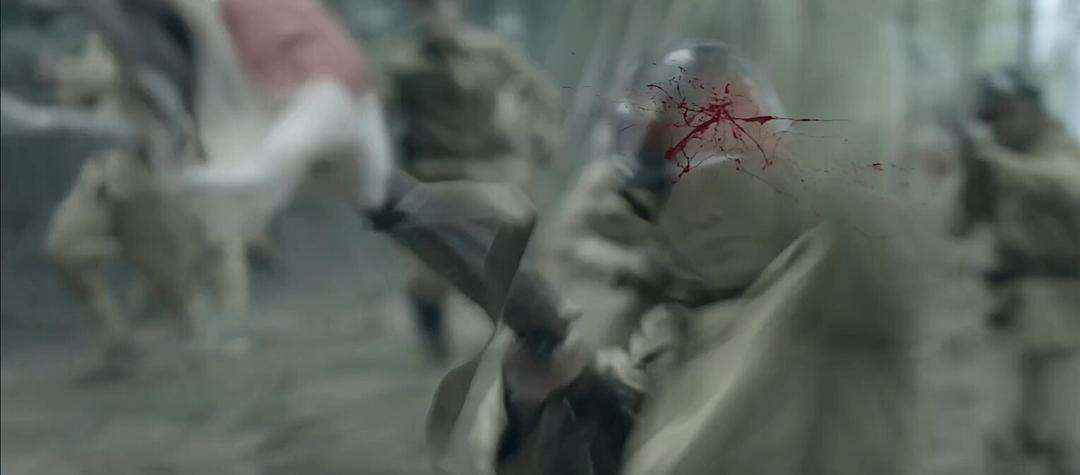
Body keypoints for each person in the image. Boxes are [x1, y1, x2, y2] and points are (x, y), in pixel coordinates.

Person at [426, 43, 927, 475]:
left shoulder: (829, 296)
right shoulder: (672, 327)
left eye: (732, 181)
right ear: (653, 213)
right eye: (678, 195)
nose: (709, 215)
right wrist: (555, 400)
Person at [39, 32, 251, 382]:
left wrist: (67, 70)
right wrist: (67, 78)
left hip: (150, 179)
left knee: (173, 284)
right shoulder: (101, 38)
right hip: (105, 172)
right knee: (65, 249)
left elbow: (129, 74)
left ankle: (213, 353)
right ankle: (119, 340)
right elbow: (78, 97)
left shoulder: (158, 31)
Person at [382, 0, 562, 361]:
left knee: (525, 252)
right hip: (436, 172)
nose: (435, 15)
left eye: (441, 6)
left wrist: (541, 133)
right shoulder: (402, 63)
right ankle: (433, 342)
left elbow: (538, 90)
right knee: (428, 268)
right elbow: (381, 114)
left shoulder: (490, 51)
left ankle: (544, 333)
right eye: (425, 8)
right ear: (416, 12)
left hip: (494, 167)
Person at [955, 69, 1080, 475]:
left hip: (1063, 312)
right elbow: (961, 224)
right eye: (991, 120)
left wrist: (999, 163)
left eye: (1004, 115)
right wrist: (974, 172)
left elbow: (1067, 183)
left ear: (1030, 111)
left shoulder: (1062, 150)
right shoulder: (1002, 156)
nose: (997, 127)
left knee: (1060, 437)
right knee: (999, 431)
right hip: (1011, 309)